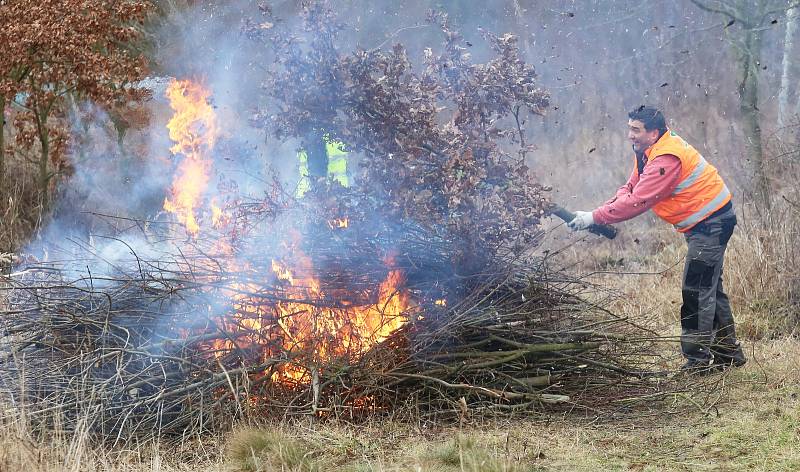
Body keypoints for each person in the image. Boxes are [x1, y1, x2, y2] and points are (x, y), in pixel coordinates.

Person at [568, 105, 746, 373]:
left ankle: (697, 362)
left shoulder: (666, 159)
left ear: (653, 132)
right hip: (705, 223)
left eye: (635, 130)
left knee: (696, 291)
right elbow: (630, 188)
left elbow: (638, 201)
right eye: (629, 128)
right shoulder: (649, 151)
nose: (630, 135)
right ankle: (729, 354)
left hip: (712, 225)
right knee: (709, 287)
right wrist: (596, 214)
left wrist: (594, 217)